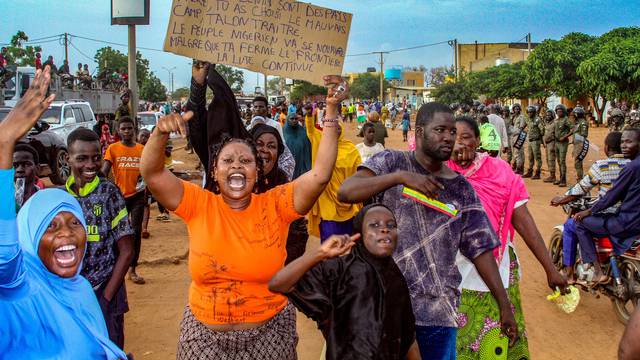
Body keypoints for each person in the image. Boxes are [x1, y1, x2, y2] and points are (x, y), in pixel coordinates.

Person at [140, 75, 347, 359]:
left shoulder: (277, 204)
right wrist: (159, 134)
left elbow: (321, 174)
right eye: (227, 161)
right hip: (203, 337)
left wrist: (332, 110)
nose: (237, 166)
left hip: (271, 334)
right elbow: (152, 174)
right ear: (214, 172)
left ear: (256, 172)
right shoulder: (198, 204)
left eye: (246, 161)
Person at [337, 102, 518, 360]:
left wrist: (504, 304)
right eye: (440, 130)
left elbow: (481, 249)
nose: (449, 138)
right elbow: (346, 191)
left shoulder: (461, 189)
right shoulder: (391, 161)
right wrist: (399, 178)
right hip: (383, 306)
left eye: (452, 131)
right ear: (419, 132)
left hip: (437, 313)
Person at [0, 65, 127, 360]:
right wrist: (5, 142)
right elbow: (4, 258)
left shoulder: (79, 288)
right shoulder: (20, 288)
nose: (67, 233)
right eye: (51, 226)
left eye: (74, 223)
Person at [448, 116, 567, 359]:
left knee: (500, 332)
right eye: (453, 138)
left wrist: (550, 269)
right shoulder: (437, 173)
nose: (459, 144)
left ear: (478, 141)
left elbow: (524, 222)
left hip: (497, 266)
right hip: (452, 271)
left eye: (465, 137)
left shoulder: (499, 171)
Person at [269, 204, 419, 360]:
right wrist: (319, 253)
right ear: (359, 233)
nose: (384, 229)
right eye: (374, 225)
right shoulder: (338, 270)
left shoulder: (395, 277)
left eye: (391, 225)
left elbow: (408, 337)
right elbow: (278, 284)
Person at [64, 128, 135, 349]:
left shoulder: (109, 193)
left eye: (96, 158)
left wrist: (105, 298)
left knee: (109, 349)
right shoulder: (61, 198)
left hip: (107, 292)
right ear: (68, 159)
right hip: (70, 296)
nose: (91, 165)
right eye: (81, 158)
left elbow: (127, 251)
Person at [551, 131, 629, 283]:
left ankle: (589, 271)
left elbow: (581, 188)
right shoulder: (633, 166)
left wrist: (562, 199)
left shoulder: (603, 166)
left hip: (608, 218)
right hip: (630, 218)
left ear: (607, 148)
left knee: (574, 223)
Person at [573, 128, 640, 285]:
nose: (624, 145)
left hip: (626, 223)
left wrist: (589, 211)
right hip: (635, 221)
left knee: (579, 222)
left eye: (629, 142)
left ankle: (597, 271)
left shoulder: (631, 168)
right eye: (622, 141)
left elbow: (612, 196)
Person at [306, 102, 362, 242]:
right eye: (331, 128)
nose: (334, 131)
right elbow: (311, 130)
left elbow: (359, 173)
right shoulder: (320, 142)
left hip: (347, 202)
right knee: (330, 245)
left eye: (337, 128)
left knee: (348, 245)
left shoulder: (351, 149)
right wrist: (309, 115)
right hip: (327, 202)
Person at [102, 117, 146, 285]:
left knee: (135, 232)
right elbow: (105, 171)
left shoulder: (142, 150)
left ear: (134, 129)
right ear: (118, 131)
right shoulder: (113, 149)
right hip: (118, 197)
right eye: (123, 129)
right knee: (115, 232)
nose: (127, 131)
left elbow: (149, 171)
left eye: (129, 128)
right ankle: (113, 266)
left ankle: (132, 269)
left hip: (137, 196)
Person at [283, 111, 312, 180]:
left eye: (296, 119)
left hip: (302, 165)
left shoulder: (303, 132)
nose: (294, 120)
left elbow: (308, 148)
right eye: (292, 119)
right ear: (287, 120)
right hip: (289, 166)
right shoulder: (283, 133)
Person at [13, 143, 41, 212]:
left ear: (37, 168)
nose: (19, 170)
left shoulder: (44, 198)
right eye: (15, 166)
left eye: (26, 164)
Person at [522, 105, 544, 179]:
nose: (529, 113)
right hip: (530, 141)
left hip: (536, 141)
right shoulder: (528, 119)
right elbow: (525, 125)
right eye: (528, 112)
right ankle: (530, 171)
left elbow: (542, 130)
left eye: (531, 112)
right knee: (530, 157)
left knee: (537, 157)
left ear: (534, 112)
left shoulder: (537, 120)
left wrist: (539, 137)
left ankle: (537, 172)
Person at [554, 104, 572, 187]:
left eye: (560, 111)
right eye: (557, 111)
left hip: (563, 143)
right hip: (556, 142)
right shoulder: (556, 120)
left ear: (564, 112)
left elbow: (573, 129)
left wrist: (565, 136)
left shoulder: (566, 120)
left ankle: (563, 179)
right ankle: (560, 177)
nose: (559, 112)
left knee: (562, 161)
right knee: (558, 160)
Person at [572, 107, 589, 181]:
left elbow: (584, 135)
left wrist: (576, 137)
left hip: (580, 144)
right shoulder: (577, 123)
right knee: (577, 162)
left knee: (578, 162)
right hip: (576, 145)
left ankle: (580, 178)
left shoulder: (583, 123)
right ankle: (580, 177)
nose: (573, 115)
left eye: (574, 114)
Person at [508, 104, 526, 174]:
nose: (516, 110)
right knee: (514, 153)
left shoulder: (521, 117)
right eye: (515, 109)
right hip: (513, 136)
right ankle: (515, 167)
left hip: (519, 136)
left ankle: (519, 168)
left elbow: (521, 128)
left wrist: (515, 131)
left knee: (518, 153)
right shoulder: (513, 117)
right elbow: (511, 125)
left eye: (518, 109)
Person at [543, 110, 558, 183]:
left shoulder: (555, 123)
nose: (547, 116)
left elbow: (557, 134)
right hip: (547, 144)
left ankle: (553, 176)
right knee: (547, 159)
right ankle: (551, 175)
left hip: (552, 143)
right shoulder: (547, 123)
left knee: (551, 160)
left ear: (553, 115)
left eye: (549, 115)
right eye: (547, 115)